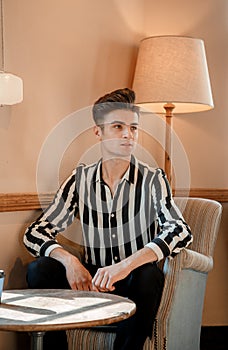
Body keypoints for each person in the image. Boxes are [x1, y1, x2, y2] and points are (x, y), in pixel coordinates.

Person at [23, 88, 193, 350]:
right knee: (39, 269)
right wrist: (70, 262)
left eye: (133, 128)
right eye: (117, 126)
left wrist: (125, 266)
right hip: (90, 283)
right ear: (98, 132)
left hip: (133, 283)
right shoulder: (80, 180)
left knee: (149, 276)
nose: (128, 135)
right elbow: (35, 232)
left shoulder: (152, 179)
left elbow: (180, 230)